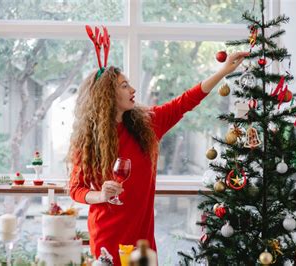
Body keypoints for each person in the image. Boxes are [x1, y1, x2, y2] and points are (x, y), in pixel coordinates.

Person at [68, 35, 248, 264]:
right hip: (107, 234)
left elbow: (186, 101)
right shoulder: (88, 140)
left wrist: (223, 71)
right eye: (124, 86)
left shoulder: (147, 124)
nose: (133, 89)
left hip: (142, 238)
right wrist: (101, 195)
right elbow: (76, 189)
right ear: (107, 97)